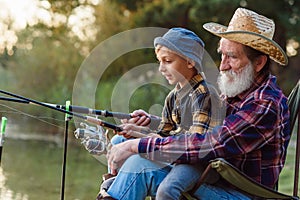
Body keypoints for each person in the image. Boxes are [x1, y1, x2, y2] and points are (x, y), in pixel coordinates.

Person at [101, 7, 291, 200]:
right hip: (214, 177)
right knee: (125, 148)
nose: (223, 65)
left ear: (259, 63)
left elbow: (207, 144)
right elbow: (197, 127)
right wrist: (151, 122)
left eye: (232, 57)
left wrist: (138, 145)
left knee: (139, 165)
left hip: (240, 193)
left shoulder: (265, 103)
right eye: (222, 55)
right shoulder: (237, 92)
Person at [100, 27, 221, 199]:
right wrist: (135, 132)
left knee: (163, 183)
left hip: (199, 163)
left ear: (189, 62)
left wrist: (143, 140)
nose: (161, 68)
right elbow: (163, 133)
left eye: (168, 61)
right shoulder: (173, 97)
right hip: (177, 154)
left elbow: (195, 142)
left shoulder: (204, 94)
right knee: (119, 140)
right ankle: (118, 183)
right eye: (159, 61)